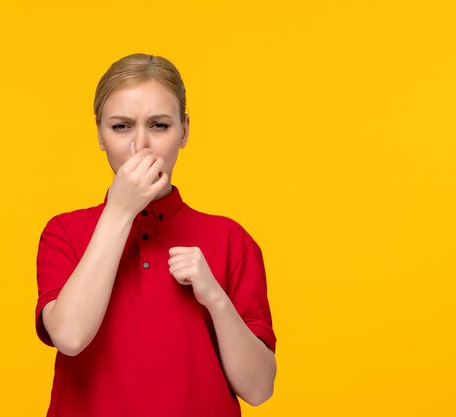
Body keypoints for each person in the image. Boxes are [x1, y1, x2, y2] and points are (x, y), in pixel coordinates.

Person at [34, 53, 277, 417]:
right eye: (121, 127)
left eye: (159, 125)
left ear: (185, 131)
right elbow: (69, 337)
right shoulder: (64, 233)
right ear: (99, 134)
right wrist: (119, 211)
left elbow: (259, 390)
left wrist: (216, 298)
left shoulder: (231, 239)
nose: (141, 144)